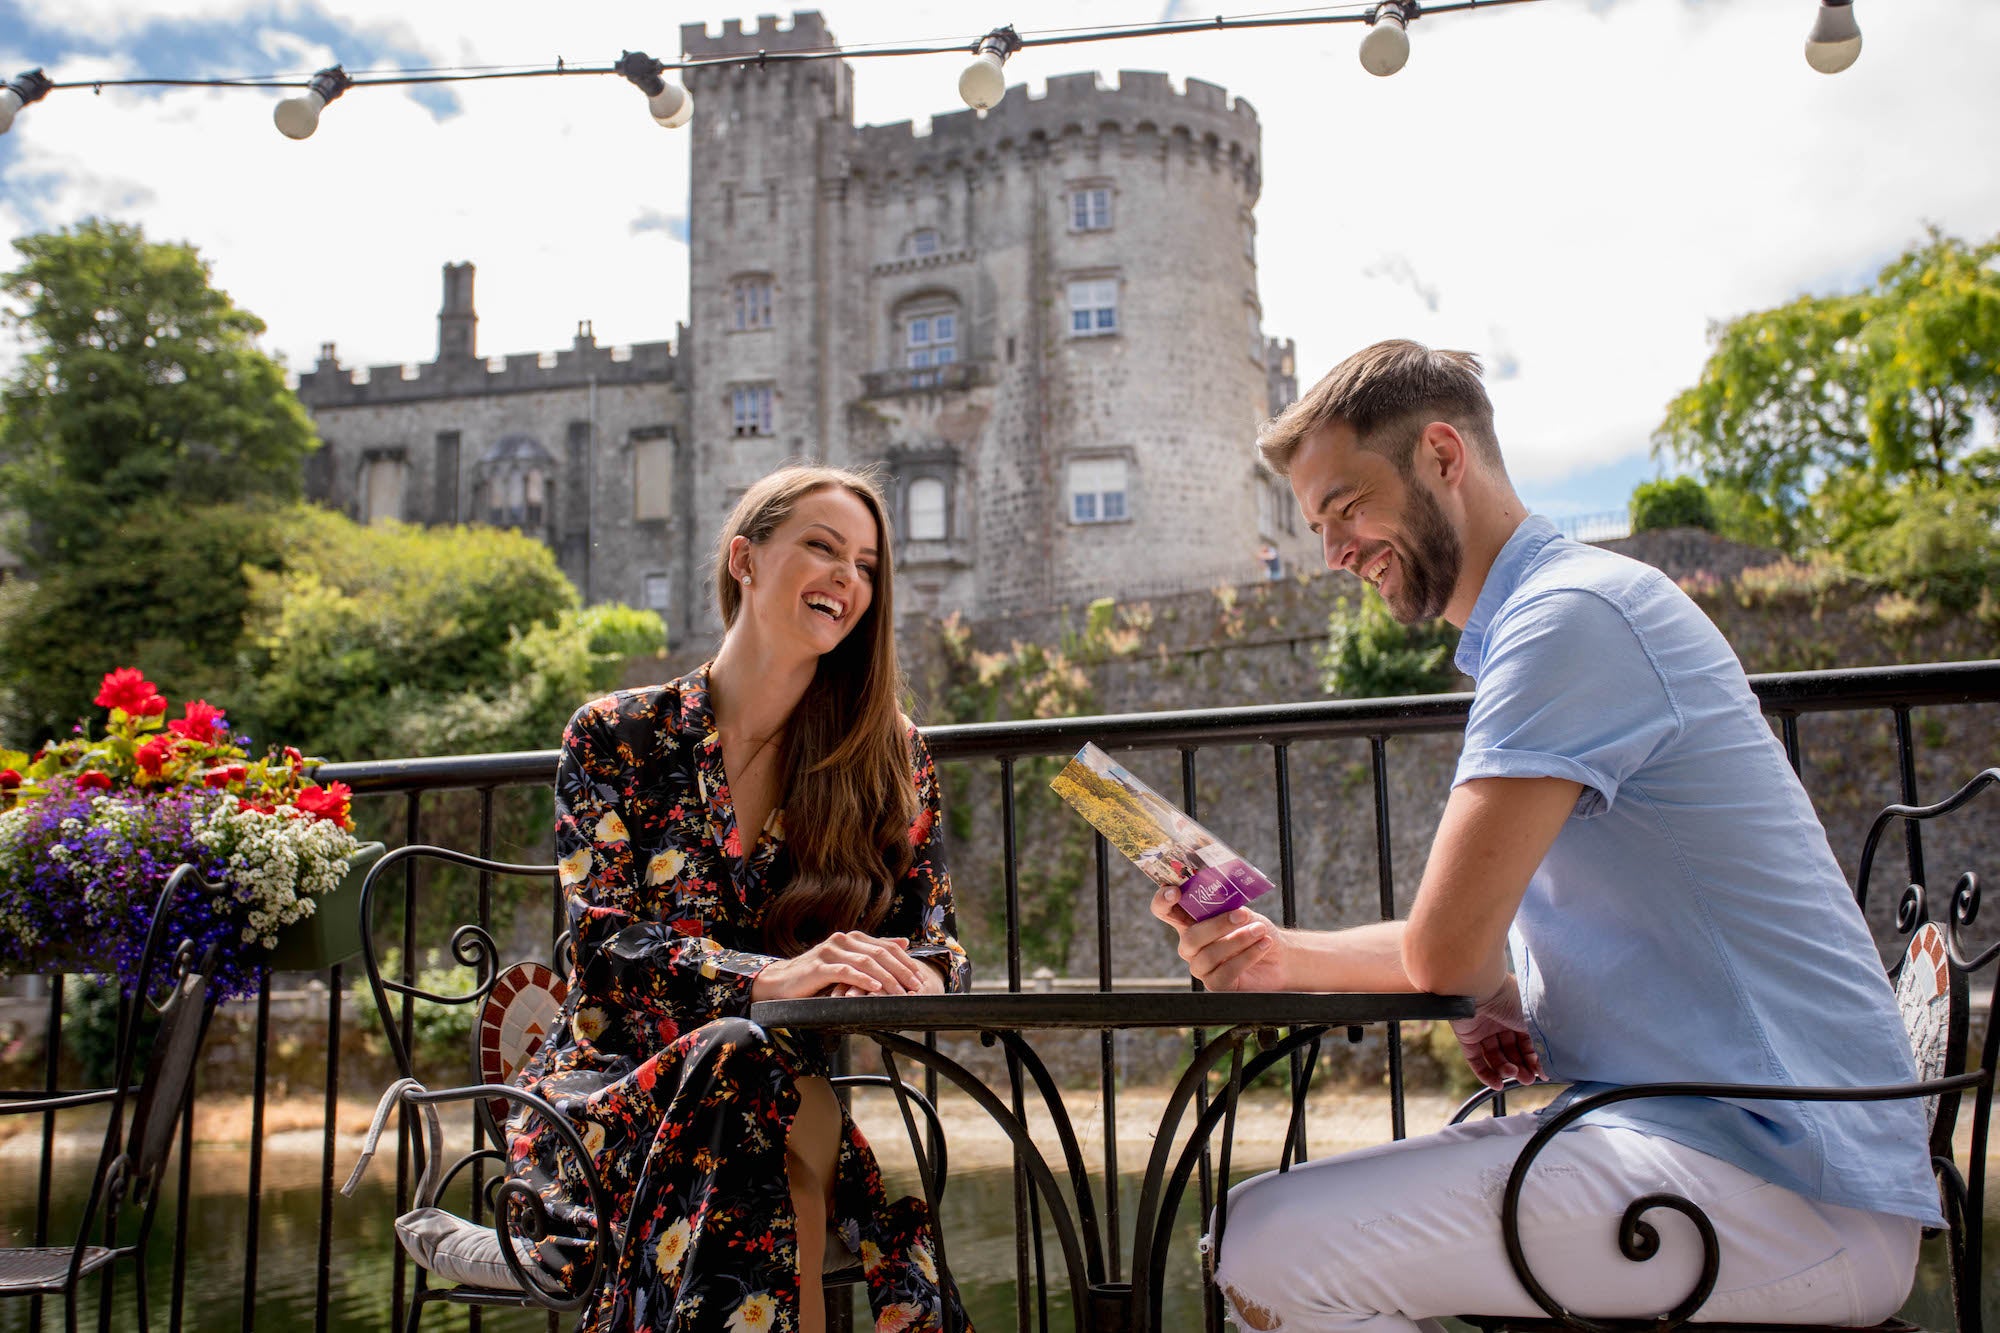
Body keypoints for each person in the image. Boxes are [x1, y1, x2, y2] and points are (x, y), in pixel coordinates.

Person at [1149, 341, 1939, 1332]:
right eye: (1315, 525)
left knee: (1267, 1247)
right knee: (1268, 1236)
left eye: (1345, 507)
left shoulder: (1565, 621)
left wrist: (1441, 973)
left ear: (1442, 455)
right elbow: (1481, 951)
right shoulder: (1563, 613)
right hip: (1743, 1156)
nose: (1331, 552)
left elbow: (1445, 949)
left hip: (1786, 1187)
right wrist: (1277, 954)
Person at [508, 464, 973, 1333]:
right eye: (823, 548)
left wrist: (897, 973)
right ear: (744, 560)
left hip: (777, 1093)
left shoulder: (889, 757)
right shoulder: (618, 735)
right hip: (611, 1100)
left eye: (868, 565)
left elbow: (940, 947)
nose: (849, 578)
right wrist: (772, 978)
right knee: (755, 1087)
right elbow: (603, 948)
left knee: (759, 1087)